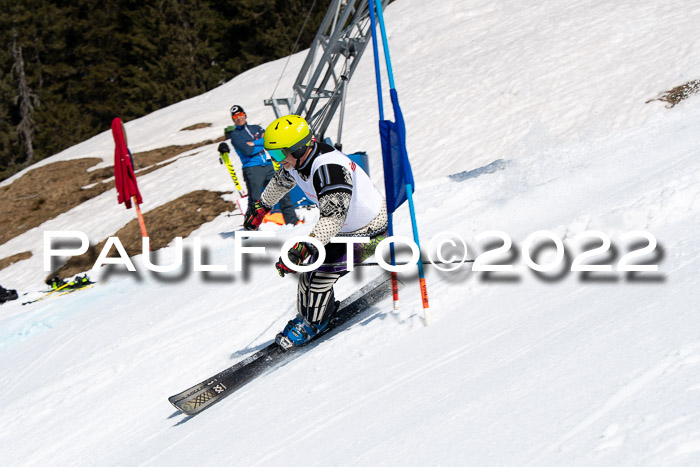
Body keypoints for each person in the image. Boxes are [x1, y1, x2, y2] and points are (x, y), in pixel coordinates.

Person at [243, 115, 388, 349]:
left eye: (279, 154)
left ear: (299, 148)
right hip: (346, 230)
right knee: (307, 273)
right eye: (273, 155)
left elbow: (333, 217)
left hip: (372, 232)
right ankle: (311, 315)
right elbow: (282, 181)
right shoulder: (299, 161)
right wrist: (262, 206)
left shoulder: (329, 169)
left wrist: (305, 247)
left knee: (320, 277)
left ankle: (314, 322)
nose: (277, 160)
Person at [223, 105, 299, 226]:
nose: (239, 118)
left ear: (245, 114)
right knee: (255, 200)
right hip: (252, 168)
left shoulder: (256, 128)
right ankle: (251, 227)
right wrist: (260, 143)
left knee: (282, 191)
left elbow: (268, 141)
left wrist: (253, 143)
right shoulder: (235, 135)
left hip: (268, 165)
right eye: (235, 116)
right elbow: (247, 151)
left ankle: (293, 221)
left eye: (240, 114)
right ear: (233, 119)